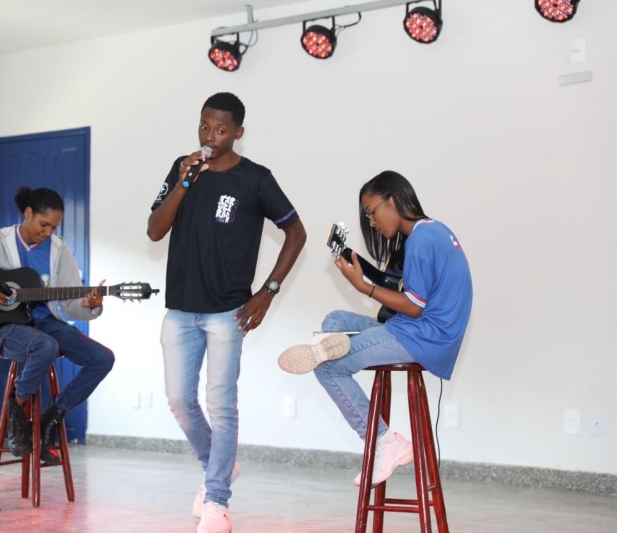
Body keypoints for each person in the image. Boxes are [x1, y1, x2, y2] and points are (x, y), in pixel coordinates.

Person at [148, 92, 307, 533]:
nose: (210, 136)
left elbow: (296, 232)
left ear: (238, 132)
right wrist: (183, 182)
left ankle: (217, 500)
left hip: (227, 312)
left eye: (220, 129)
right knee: (179, 400)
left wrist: (268, 291)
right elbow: (155, 230)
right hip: (180, 309)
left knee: (221, 404)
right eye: (204, 126)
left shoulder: (255, 179)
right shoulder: (183, 168)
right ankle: (217, 466)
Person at [278, 170, 472, 487]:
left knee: (327, 368)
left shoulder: (421, 240)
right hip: (413, 329)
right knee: (336, 319)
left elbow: (413, 305)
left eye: (371, 212)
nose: (371, 222)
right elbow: (413, 301)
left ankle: (385, 441)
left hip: (423, 338)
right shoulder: (434, 230)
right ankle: (327, 343)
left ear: (391, 201)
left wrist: (363, 287)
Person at [0, 187, 115, 464]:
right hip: (4, 327)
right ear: (28, 213)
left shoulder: (59, 250)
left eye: (53, 227)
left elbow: (69, 305)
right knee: (46, 346)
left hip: (45, 323)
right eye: (44, 224)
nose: (48, 232)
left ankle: (50, 417)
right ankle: (17, 411)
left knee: (102, 358)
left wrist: (90, 305)